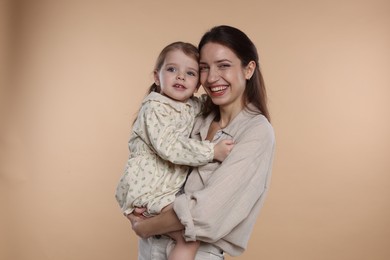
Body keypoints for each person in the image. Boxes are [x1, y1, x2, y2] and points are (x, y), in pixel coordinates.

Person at [127, 25, 276, 260]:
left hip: (197, 252)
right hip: (150, 248)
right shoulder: (196, 115)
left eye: (224, 66)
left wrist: (144, 226)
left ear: (249, 69)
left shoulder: (256, 132)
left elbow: (206, 213)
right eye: (204, 68)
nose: (212, 77)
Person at [115, 41, 234, 260]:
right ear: (156, 76)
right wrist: (211, 151)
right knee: (189, 235)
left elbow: (214, 102)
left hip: (163, 188)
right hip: (148, 187)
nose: (180, 77)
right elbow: (170, 147)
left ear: (198, 83)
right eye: (172, 69)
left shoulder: (190, 105)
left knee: (185, 233)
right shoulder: (154, 107)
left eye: (190, 73)